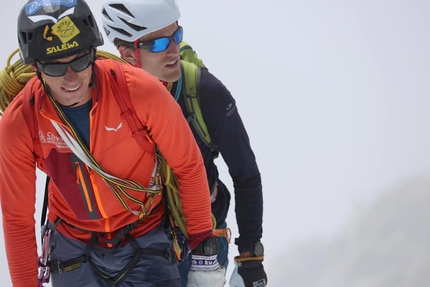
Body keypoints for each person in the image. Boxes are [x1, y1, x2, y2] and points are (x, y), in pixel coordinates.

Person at [0, 0, 225, 286]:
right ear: (36, 67)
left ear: (94, 53)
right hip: (71, 244)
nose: (71, 78)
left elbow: (189, 167)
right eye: (56, 68)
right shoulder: (21, 120)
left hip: (146, 234)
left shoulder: (141, 92)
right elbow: (17, 218)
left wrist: (204, 258)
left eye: (80, 61)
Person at [101, 1, 268, 286]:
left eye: (176, 36)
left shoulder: (205, 92)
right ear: (128, 54)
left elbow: (246, 173)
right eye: (158, 44)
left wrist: (251, 255)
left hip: (201, 241)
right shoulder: (104, 97)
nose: (173, 51)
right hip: (134, 243)